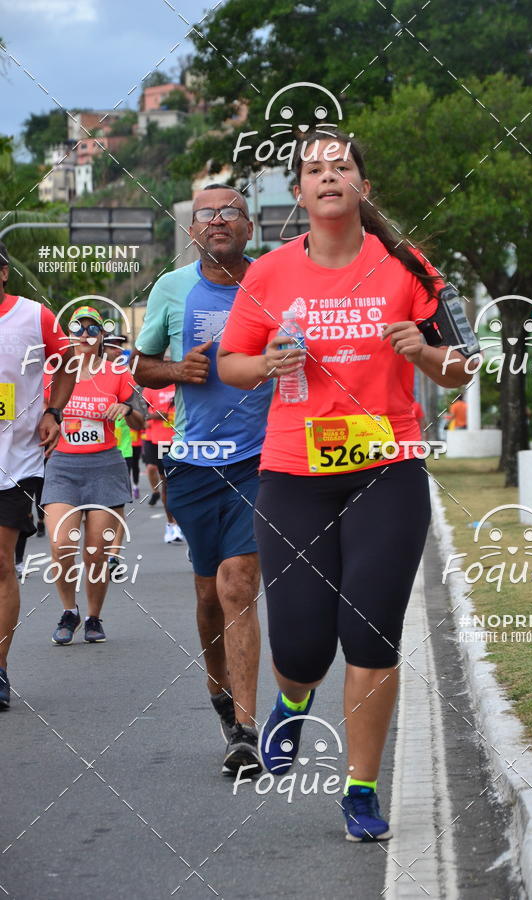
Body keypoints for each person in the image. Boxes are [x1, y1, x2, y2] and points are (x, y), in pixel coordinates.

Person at [217, 130, 470, 841]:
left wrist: (427, 352)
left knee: (369, 633)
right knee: (301, 647)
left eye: (342, 167)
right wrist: (265, 362)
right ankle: (292, 705)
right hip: (295, 476)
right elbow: (228, 363)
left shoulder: (405, 265)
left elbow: (462, 368)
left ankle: (360, 790)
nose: (329, 177)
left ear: (363, 185)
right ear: (298, 194)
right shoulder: (268, 274)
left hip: (386, 472)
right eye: (314, 170)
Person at [132, 183, 272, 776]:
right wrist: (176, 369)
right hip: (192, 461)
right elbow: (139, 365)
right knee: (208, 594)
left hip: (265, 456)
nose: (217, 221)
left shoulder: (273, 280)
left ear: (248, 226)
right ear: (193, 230)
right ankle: (219, 691)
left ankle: (244, 728)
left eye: (230, 212)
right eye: (206, 214)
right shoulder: (170, 288)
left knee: (239, 581)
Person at [0, 241, 75, 708]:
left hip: (15, 460)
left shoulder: (34, 316)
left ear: (4, 272)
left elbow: (66, 361)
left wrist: (54, 409)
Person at [42, 306, 138, 645]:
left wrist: (127, 408)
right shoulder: (52, 372)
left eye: (92, 329)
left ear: (101, 336)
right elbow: (37, 415)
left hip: (104, 466)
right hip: (63, 467)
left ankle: (94, 617)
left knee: (96, 552)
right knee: (60, 544)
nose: (84, 335)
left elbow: (140, 414)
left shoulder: (117, 372)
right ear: (69, 335)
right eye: (77, 328)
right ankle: (69, 610)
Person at [142, 385, 184, 543]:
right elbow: (141, 414)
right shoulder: (150, 388)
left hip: (182, 439)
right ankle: (171, 524)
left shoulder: (181, 383)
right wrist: (155, 415)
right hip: (161, 442)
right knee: (167, 482)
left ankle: (184, 524)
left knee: (183, 483)